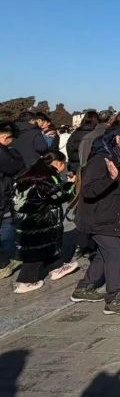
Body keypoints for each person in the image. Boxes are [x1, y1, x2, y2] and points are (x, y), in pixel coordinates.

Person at [71, 124, 120, 316]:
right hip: (97, 217)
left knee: (104, 255)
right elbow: (88, 191)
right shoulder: (100, 160)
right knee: (115, 253)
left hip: (114, 217)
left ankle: (83, 288)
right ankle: (115, 298)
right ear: (117, 139)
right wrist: (110, 178)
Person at [12, 152, 78, 293]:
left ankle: (56, 268)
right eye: (63, 163)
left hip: (25, 219)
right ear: (58, 163)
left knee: (46, 246)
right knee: (35, 253)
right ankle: (25, 282)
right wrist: (71, 185)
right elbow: (58, 196)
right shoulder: (47, 177)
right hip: (39, 220)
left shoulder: (28, 174)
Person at [0, 121, 25, 278]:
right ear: (4, 138)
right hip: (2, 197)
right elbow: (16, 167)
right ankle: (7, 262)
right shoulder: (3, 152)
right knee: (7, 231)